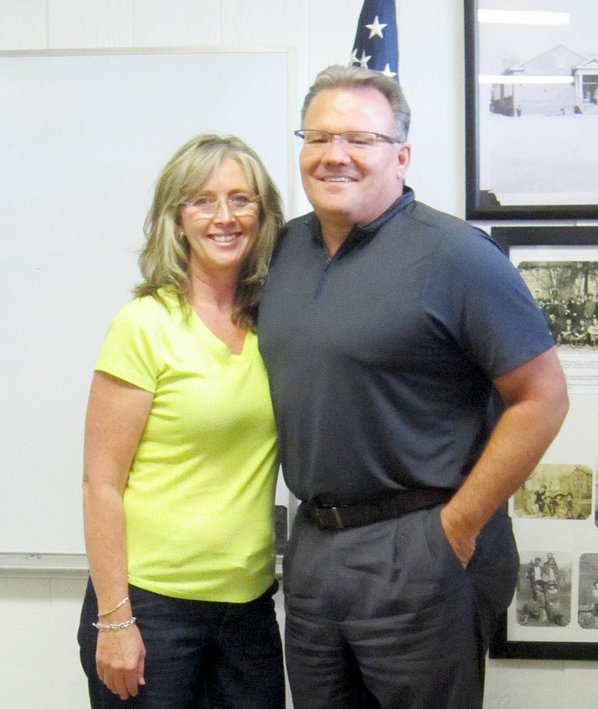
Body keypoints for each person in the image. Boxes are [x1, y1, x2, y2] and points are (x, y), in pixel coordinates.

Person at [258, 65, 569, 709]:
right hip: (314, 547)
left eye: (359, 139)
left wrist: (455, 528)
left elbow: (543, 397)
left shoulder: (457, 256)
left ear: (400, 154)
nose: (335, 155)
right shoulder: (282, 251)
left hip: (419, 542)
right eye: (317, 137)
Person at [78, 134, 286, 708]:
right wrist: (115, 619)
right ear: (177, 219)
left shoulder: (279, 326)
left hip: (249, 609)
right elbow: (101, 484)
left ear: (263, 215)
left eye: (242, 199)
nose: (225, 217)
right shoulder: (144, 324)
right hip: (150, 608)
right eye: (203, 200)